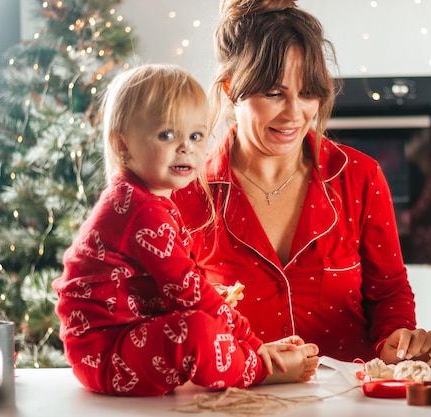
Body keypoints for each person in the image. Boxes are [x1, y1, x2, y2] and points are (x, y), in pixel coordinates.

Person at [173, 0, 431, 365]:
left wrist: (395, 338)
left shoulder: (359, 176)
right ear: (230, 87)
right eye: (274, 93)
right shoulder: (187, 191)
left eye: (308, 92)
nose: (294, 114)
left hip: (347, 399)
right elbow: (173, 316)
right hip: (239, 401)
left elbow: (388, 292)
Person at [52, 63, 319, 397]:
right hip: (107, 354)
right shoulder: (142, 210)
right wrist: (251, 342)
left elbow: (182, 286)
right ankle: (260, 368)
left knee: (205, 317)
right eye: (167, 135)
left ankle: (251, 356)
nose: (186, 148)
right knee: (196, 329)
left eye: (196, 136)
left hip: (130, 340)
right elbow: (188, 291)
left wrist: (244, 338)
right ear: (123, 145)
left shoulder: (147, 199)